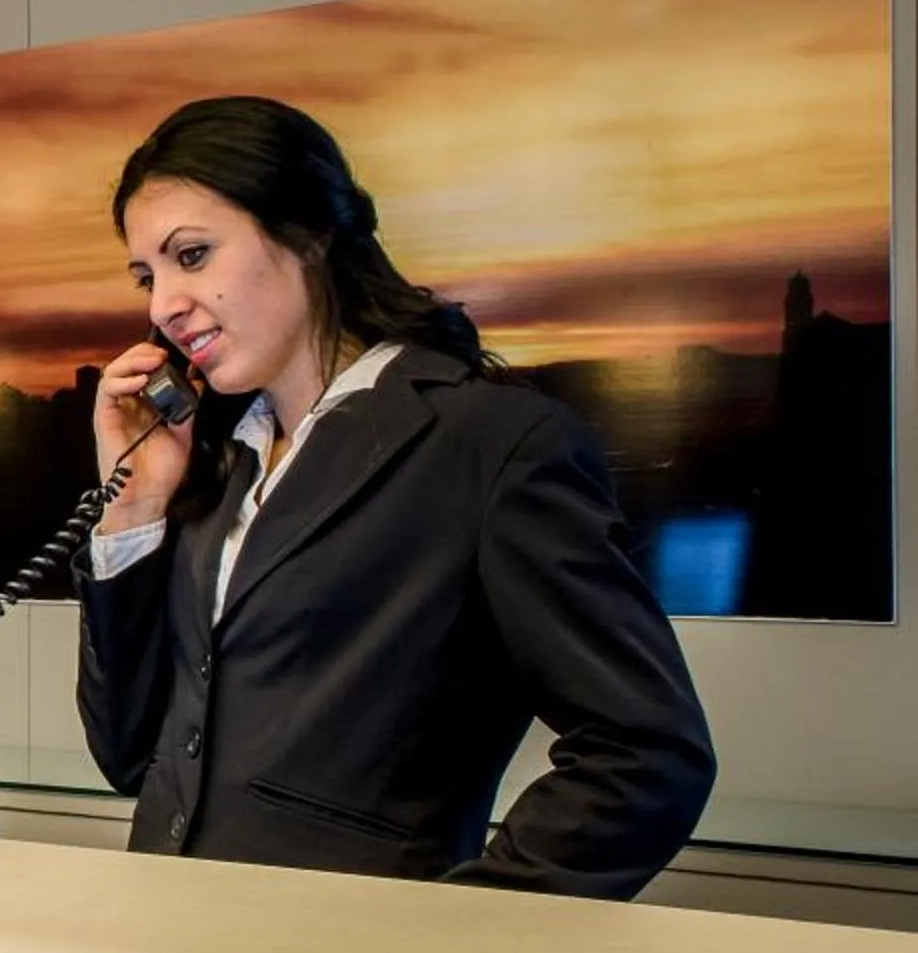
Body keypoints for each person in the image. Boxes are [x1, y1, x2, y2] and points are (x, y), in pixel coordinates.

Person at [75, 94, 713, 896]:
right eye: (147, 275)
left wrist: (456, 932)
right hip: (173, 949)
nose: (163, 305)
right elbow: (130, 752)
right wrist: (133, 508)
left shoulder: (489, 445)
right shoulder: (217, 463)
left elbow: (648, 750)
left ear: (308, 232)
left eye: (192, 256)